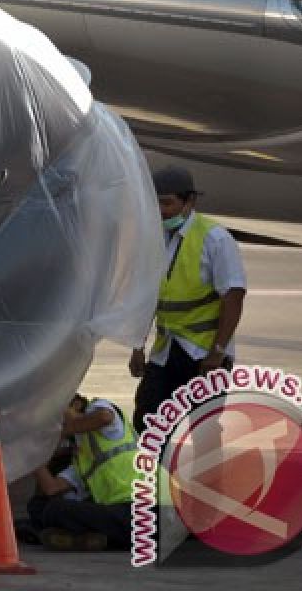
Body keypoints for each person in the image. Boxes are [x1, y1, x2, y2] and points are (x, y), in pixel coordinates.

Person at [130, 165, 247, 432]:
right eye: (155, 202)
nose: (160, 210)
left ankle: (206, 476)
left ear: (190, 201)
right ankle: (153, 475)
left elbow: (234, 296)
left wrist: (217, 353)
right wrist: (138, 345)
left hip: (203, 354)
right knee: (147, 421)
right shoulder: (157, 237)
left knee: (203, 429)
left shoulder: (215, 239)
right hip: (166, 351)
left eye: (167, 203)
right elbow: (151, 296)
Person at [18, 394, 137, 551]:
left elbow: (104, 417)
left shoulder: (98, 409)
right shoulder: (84, 459)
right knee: (43, 508)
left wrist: (61, 432)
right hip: (120, 515)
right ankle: (95, 539)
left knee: (54, 512)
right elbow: (51, 488)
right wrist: (33, 456)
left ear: (76, 404)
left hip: (144, 509)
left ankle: (89, 536)